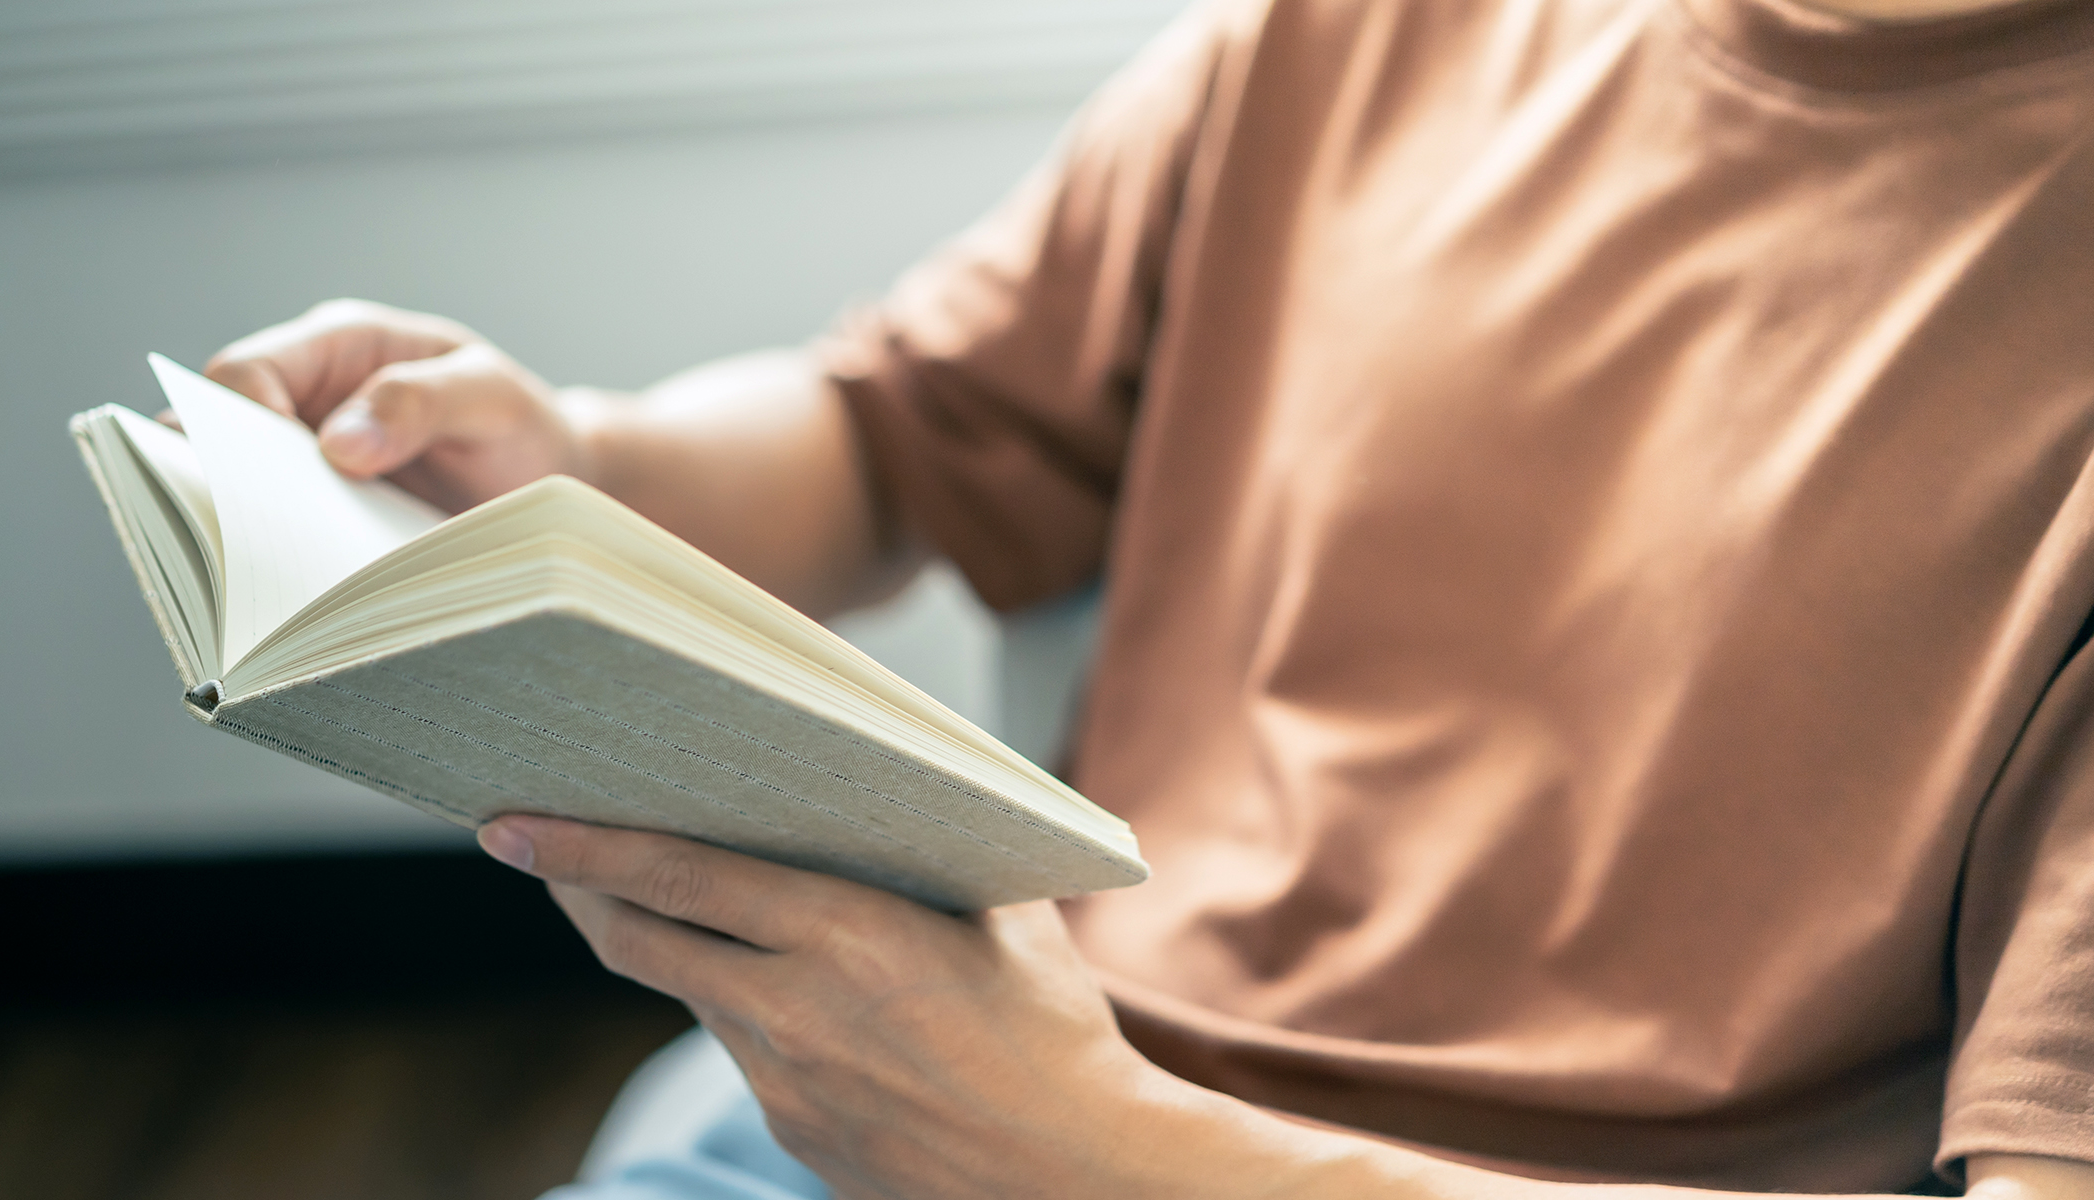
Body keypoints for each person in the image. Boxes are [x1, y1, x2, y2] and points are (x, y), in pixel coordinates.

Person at [195, 0, 2094, 1196]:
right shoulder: (1347, 37)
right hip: (929, 1104)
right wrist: (590, 470)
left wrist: (1102, 1156)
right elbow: (894, 431)